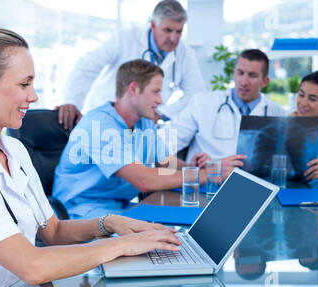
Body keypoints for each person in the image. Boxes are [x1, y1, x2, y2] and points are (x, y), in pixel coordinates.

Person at [0, 27, 182, 287]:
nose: (33, 96)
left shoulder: (14, 150)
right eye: (24, 84)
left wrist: (110, 223)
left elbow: (53, 231)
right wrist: (124, 246)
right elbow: (31, 266)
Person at [53, 59, 225, 220]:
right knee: (156, 241)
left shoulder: (144, 122)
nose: (160, 100)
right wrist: (206, 175)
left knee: (196, 222)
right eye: (156, 92)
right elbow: (145, 181)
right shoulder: (99, 125)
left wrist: (192, 166)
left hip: (119, 208)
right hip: (81, 212)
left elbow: (164, 162)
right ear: (134, 89)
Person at [56, 0, 206, 125]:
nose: (174, 38)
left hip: (141, 125)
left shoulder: (184, 53)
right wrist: (72, 102)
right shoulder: (125, 39)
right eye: (168, 30)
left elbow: (196, 93)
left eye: (179, 31)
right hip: (104, 118)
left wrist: (162, 114)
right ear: (153, 25)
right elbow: (86, 67)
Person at [162, 49, 286, 168]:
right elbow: (161, 145)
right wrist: (190, 167)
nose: (244, 81)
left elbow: (284, 160)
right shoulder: (202, 103)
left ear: (264, 81)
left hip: (257, 183)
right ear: (234, 73)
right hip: (207, 184)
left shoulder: (277, 112)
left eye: (252, 75)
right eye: (240, 73)